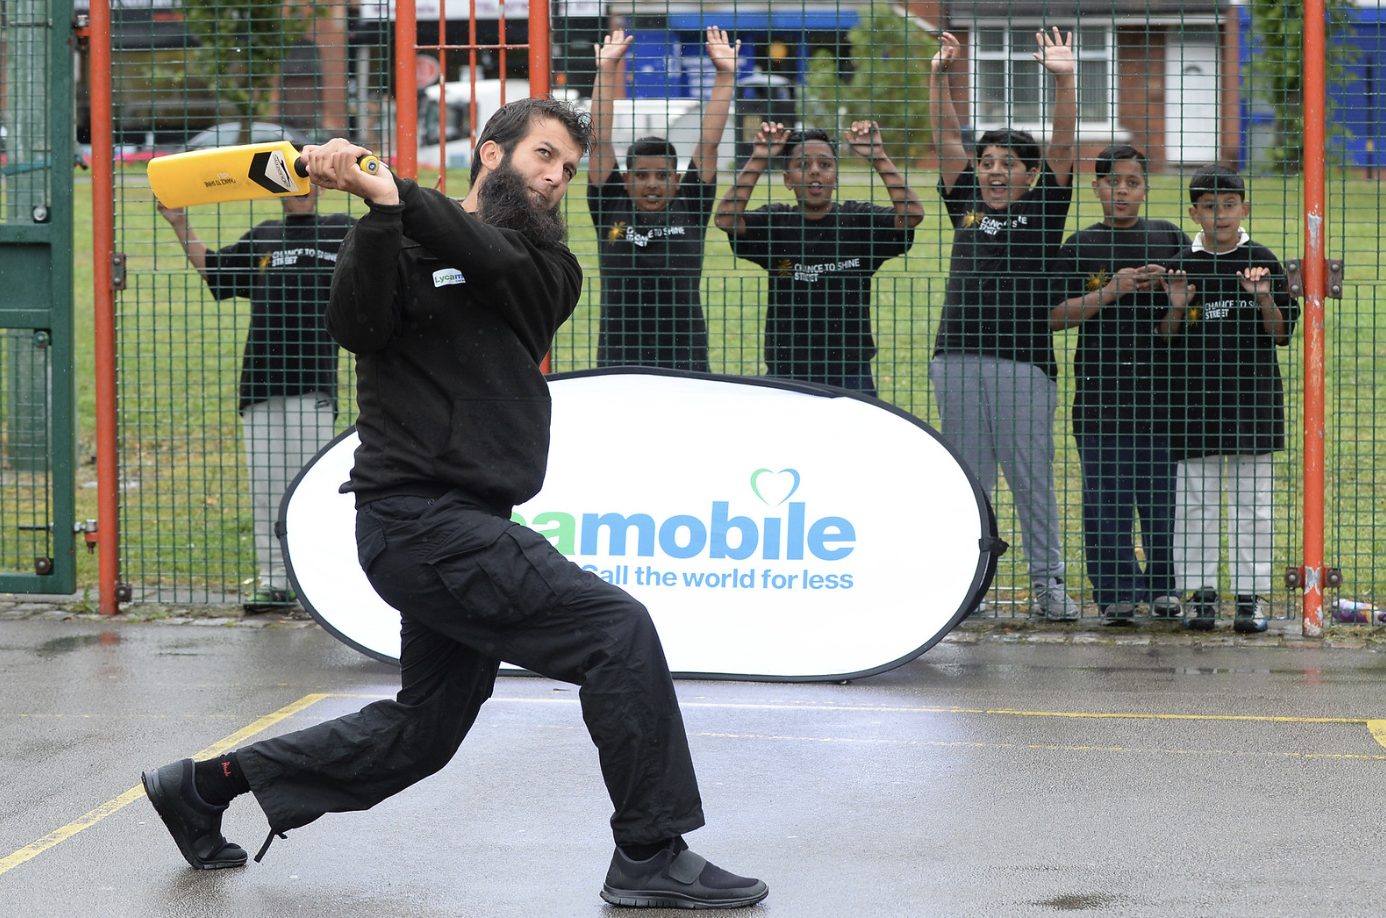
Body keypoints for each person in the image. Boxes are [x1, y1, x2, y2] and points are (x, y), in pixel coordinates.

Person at [139, 98, 767, 911]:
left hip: (463, 527)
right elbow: (356, 326)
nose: (555, 179)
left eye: (568, 169)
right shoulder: (394, 236)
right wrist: (377, 213)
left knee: (425, 731)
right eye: (543, 157)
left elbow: (487, 259)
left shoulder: (546, 268)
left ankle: (203, 787)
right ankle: (650, 850)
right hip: (414, 522)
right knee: (616, 631)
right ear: (490, 153)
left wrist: (392, 189)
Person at [928, 28, 1081, 621]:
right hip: (957, 359)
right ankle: (968, 591)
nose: (993, 171)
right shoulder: (964, 199)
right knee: (970, 483)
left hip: (1023, 364)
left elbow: (1065, 143)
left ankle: (1049, 587)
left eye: (1007, 164)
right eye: (987, 161)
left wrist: (1064, 78)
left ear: (1030, 174)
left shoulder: (1043, 209)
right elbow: (944, 135)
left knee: (1030, 480)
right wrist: (940, 74)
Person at [158, 185, 353, 613]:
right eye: (291, 181)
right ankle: (273, 582)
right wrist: (179, 222)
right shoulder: (264, 236)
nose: (302, 189)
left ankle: (317, 585)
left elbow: (390, 247)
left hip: (314, 384)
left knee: (312, 489)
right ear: (277, 190)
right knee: (267, 488)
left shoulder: (343, 232)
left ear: (320, 186)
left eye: (308, 179)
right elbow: (215, 270)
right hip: (261, 386)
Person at [1049, 145, 1195, 625]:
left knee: (1162, 499)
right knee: (1105, 498)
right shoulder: (1078, 246)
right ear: (1096, 188)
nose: (1123, 191)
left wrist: (1171, 295)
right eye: (1113, 182)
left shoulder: (1168, 238)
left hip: (1161, 396)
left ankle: (1164, 588)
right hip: (1099, 395)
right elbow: (1054, 317)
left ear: (1146, 189)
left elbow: (1184, 318)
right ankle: (1114, 591)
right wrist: (1111, 290)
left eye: (1133, 183)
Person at [1165, 164, 1297, 634]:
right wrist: (1178, 305)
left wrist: (1261, 296)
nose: (1219, 214)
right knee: (1194, 504)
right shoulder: (1182, 262)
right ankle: (1200, 597)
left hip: (1252, 403)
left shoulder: (1262, 258)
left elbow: (1282, 333)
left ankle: (1248, 597)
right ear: (1193, 211)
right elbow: (1164, 336)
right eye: (1208, 206)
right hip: (1193, 404)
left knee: (1253, 505)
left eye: (1228, 205)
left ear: (1244, 208)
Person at [714, 120, 923, 394]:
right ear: (787, 179)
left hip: (850, 371)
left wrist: (878, 157)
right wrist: (759, 158)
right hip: (786, 370)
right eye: (802, 165)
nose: (814, 171)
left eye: (825, 165)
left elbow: (913, 214)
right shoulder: (776, 222)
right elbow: (726, 218)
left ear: (835, 177)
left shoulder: (858, 220)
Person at [588, 26, 737, 371]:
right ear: (626, 180)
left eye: (662, 176)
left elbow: (710, 144)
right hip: (620, 359)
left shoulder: (692, 204)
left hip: (685, 357)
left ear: (677, 180)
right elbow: (598, 142)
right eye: (641, 176)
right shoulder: (611, 204)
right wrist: (606, 71)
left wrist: (726, 75)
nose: (652, 184)